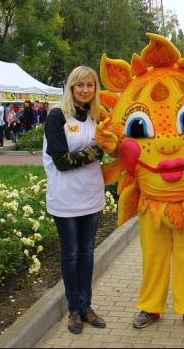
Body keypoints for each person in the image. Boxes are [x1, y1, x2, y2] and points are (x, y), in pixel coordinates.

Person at [43, 66, 108, 334]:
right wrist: (97, 150)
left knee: (87, 253)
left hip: (91, 195)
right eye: (80, 85)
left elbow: (112, 142)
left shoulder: (97, 116)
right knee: (70, 254)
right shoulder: (57, 116)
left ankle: (86, 307)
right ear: (71, 87)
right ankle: (73, 310)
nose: (85, 90)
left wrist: (103, 148)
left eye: (90, 85)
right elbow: (61, 161)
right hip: (66, 198)